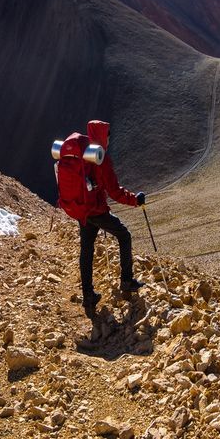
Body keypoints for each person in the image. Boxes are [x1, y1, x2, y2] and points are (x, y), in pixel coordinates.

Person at [77, 120, 146, 317]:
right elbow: (115, 192)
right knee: (124, 236)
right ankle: (126, 280)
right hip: (97, 210)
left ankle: (88, 296)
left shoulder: (83, 153)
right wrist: (136, 200)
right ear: (103, 135)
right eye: (107, 134)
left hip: (82, 209)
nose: (108, 139)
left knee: (86, 250)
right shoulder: (100, 157)